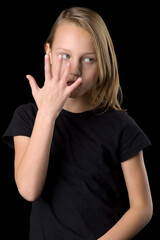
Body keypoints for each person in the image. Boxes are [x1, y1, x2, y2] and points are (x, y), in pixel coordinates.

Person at [3, 7, 153, 240]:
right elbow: (29, 189)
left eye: (89, 59)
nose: (74, 69)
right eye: (65, 56)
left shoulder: (121, 126)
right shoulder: (28, 117)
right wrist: (47, 114)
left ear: (102, 63)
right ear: (48, 52)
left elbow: (142, 208)